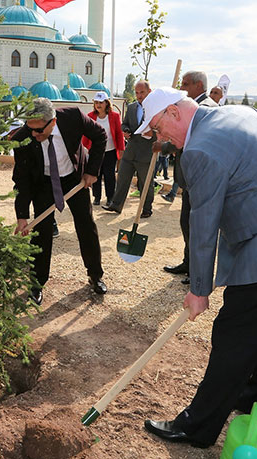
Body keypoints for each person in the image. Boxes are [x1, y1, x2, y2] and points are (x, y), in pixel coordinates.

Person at [138, 87, 257, 449]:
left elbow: (204, 224)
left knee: (233, 333)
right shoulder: (235, 112)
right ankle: (253, 407)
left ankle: (197, 427)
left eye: (159, 129)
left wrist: (198, 289)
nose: (162, 141)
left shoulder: (199, 150)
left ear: (174, 113)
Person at [12, 97, 107, 305]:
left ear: (53, 122)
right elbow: (22, 180)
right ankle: (37, 283)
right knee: (42, 231)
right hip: (43, 183)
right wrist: (21, 215)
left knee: (86, 224)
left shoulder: (73, 117)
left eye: (39, 131)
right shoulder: (23, 139)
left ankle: (95, 275)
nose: (34, 135)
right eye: (30, 129)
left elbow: (100, 136)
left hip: (74, 179)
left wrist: (92, 172)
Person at [162, 71, 218, 285]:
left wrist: (165, 146)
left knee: (199, 228)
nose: (182, 88)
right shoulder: (190, 107)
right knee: (187, 224)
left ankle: (200, 273)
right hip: (189, 180)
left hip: (202, 180)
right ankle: (189, 263)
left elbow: (188, 139)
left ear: (198, 85)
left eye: (185, 84)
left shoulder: (207, 108)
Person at [103, 80, 153, 216]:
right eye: (137, 93)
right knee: (122, 178)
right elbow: (124, 124)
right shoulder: (131, 107)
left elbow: (162, 129)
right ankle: (116, 205)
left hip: (147, 153)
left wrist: (153, 133)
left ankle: (147, 209)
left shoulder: (156, 109)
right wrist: (125, 130)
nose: (139, 95)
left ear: (149, 91)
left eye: (142, 92)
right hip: (130, 151)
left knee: (145, 183)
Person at [83, 91, 124, 206]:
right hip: (95, 152)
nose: (98, 105)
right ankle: (97, 197)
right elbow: (86, 134)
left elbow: (119, 134)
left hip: (110, 151)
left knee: (109, 175)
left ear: (107, 103)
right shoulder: (90, 116)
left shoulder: (115, 116)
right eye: (96, 102)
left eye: (101, 102)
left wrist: (121, 149)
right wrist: (84, 147)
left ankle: (110, 197)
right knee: (96, 174)